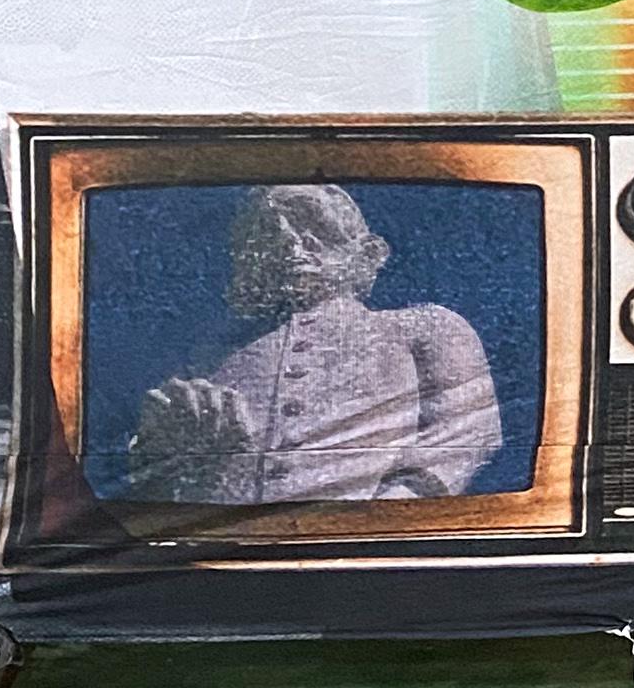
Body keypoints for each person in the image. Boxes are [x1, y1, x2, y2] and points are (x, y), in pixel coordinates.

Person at [126, 183, 505, 507]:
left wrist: (379, 519)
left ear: (365, 251)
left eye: (314, 225)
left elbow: (465, 435)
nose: (291, 241)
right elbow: (153, 480)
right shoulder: (210, 356)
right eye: (268, 232)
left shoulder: (425, 327)